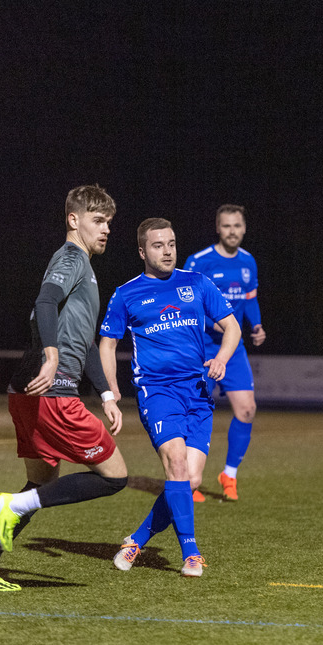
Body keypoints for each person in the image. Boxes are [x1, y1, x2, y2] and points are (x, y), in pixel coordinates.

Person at [0, 184, 127, 592]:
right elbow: (45, 300)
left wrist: (106, 393)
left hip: (27, 389)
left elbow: (86, 342)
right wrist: (52, 354)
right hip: (52, 390)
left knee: (40, 484)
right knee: (115, 477)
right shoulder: (71, 258)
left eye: (109, 222)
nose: (106, 229)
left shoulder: (85, 267)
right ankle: (12, 506)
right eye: (97, 220)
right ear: (73, 220)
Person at [99, 217, 240, 578]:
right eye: (158, 245)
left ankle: (136, 539)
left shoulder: (196, 283)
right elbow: (108, 343)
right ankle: (191, 553)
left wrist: (221, 358)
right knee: (175, 463)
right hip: (157, 391)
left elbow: (232, 326)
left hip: (198, 392)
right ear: (142, 250)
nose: (167, 251)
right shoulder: (126, 293)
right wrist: (110, 392)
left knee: (190, 480)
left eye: (172, 244)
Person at [183, 204, 265, 501]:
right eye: (227, 226)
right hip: (202, 347)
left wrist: (255, 325)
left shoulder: (248, 262)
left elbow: (250, 299)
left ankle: (228, 475)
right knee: (196, 411)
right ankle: (188, 479)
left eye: (238, 226)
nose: (233, 231)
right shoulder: (199, 261)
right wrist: (210, 323)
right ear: (218, 228)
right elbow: (186, 304)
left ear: (244, 228)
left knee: (246, 409)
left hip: (234, 348)